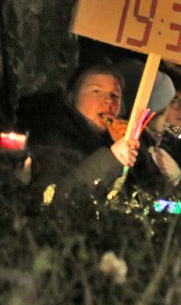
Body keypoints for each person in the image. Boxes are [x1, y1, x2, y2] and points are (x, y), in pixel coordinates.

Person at [27, 65, 153, 203]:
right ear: (72, 97)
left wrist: (137, 151)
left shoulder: (117, 138)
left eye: (114, 95)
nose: (108, 101)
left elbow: (152, 190)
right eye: (96, 91)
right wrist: (113, 157)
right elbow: (59, 197)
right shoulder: (52, 136)